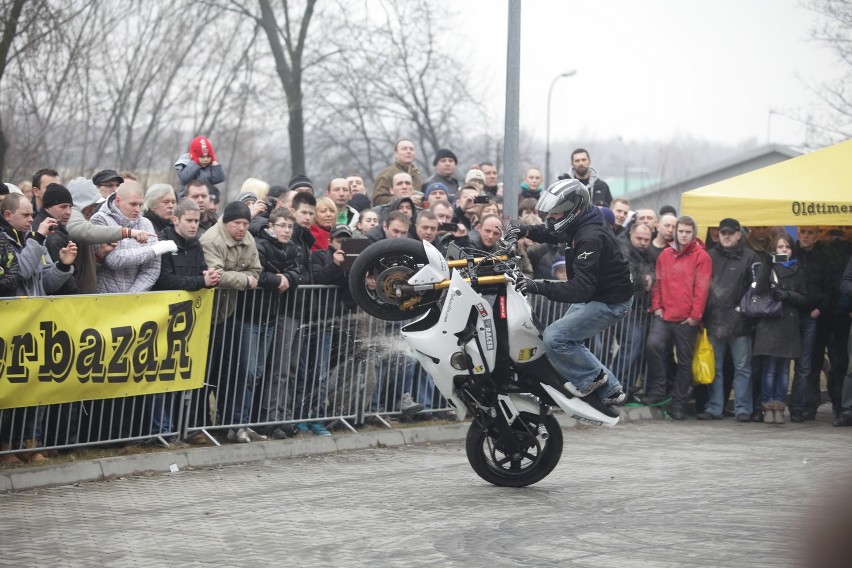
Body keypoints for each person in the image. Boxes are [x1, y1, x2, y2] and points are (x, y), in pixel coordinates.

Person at [508, 179, 634, 411]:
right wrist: (523, 230)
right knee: (565, 338)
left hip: (610, 302)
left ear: (574, 210)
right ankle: (612, 390)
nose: (551, 218)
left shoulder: (590, 237)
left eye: (556, 214)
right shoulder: (582, 219)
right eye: (550, 213)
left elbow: (579, 290)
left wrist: (536, 285)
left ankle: (591, 380)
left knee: (556, 338)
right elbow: (553, 233)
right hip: (600, 294)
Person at [0, 192, 77, 462]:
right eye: (26, 215)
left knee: (35, 385)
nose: (32, 220)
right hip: (10, 326)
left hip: (35, 326)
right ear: (8, 216)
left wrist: (62, 266)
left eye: (32, 215)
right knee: (9, 388)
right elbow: (20, 271)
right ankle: (6, 444)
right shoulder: (7, 240)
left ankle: (28, 441)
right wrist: (38, 238)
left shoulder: (34, 240)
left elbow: (43, 281)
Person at [200, 201, 263, 443]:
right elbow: (215, 275)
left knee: (227, 372)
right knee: (205, 373)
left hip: (228, 313)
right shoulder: (211, 240)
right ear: (226, 222)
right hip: (206, 313)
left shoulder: (248, 239)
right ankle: (201, 425)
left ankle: (224, 425)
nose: (241, 228)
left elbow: (256, 271)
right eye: (237, 223)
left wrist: (241, 278)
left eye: (246, 223)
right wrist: (243, 280)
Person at [644, 215, 712, 420]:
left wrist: (695, 316)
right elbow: (657, 282)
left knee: (684, 361)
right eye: (680, 231)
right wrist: (656, 306)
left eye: (687, 232)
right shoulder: (665, 254)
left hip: (687, 319)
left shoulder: (701, 256)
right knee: (653, 345)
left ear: (693, 233)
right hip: (664, 314)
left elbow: (702, 288)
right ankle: (659, 390)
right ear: (676, 232)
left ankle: (679, 403)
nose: (683, 235)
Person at [700, 218, 760, 422]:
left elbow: (756, 289)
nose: (725, 236)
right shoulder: (709, 256)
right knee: (714, 368)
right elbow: (702, 287)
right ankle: (715, 407)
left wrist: (742, 310)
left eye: (730, 233)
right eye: (722, 232)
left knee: (742, 368)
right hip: (714, 321)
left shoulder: (750, 257)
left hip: (740, 322)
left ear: (738, 235)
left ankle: (743, 408)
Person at [752, 233, 809, 424]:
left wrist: (788, 295)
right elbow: (758, 290)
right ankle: (767, 405)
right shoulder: (767, 265)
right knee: (769, 368)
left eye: (787, 247)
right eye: (780, 247)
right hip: (770, 322)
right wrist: (768, 263)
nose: (784, 250)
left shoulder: (798, 268)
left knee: (784, 369)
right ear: (774, 249)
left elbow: (804, 298)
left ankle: (779, 405)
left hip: (789, 323)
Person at [89, 181, 177, 294]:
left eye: (140, 205)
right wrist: (154, 250)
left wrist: (131, 297)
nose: (138, 210)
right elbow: (113, 260)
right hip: (102, 298)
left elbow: (152, 270)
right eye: (133, 204)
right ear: (118, 201)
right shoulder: (100, 220)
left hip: (135, 301)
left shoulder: (145, 223)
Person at [790, 226, 833, 422]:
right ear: (797, 234)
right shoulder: (790, 253)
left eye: (810, 232)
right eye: (803, 232)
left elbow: (830, 288)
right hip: (790, 315)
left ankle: (808, 405)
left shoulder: (823, 258)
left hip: (813, 315)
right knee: (784, 364)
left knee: (810, 364)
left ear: (816, 236)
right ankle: (790, 404)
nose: (806, 236)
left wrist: (819, 310)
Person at [372, 138, 422, 206]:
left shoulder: (417, 175)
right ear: (396, 153)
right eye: (404, 149)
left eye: (411, 149)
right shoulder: (386, 175)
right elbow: (377, 200)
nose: (409, 151)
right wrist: (401, 200)